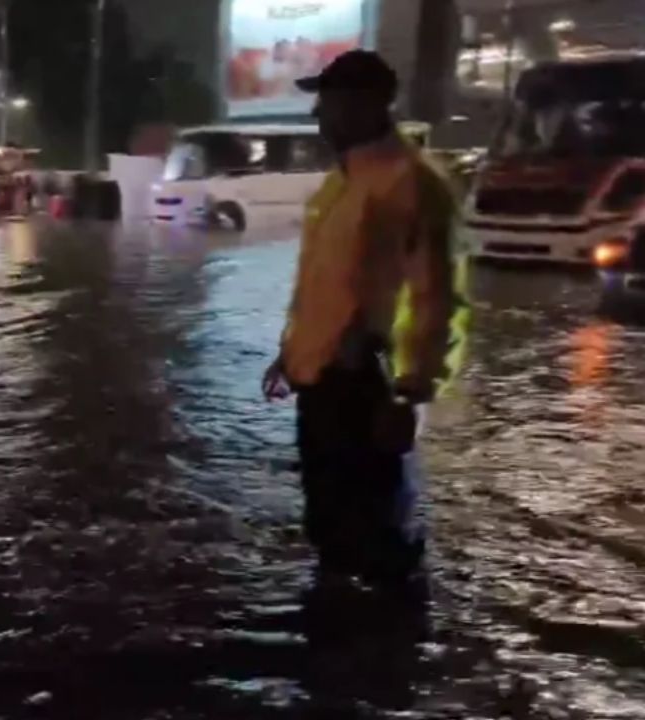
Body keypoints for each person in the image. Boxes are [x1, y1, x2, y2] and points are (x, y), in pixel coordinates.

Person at [262, 50, 460, 599]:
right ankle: (337, 626)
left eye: (326, 103)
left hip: (369, 386)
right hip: (323, 379)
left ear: (366, 105)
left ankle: (388, 634)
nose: (317, 116)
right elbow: (323, 286)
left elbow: (435, 296)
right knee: (330, 519)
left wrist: (408, 392)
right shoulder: (342, 182)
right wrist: (291, 353)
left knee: (377, 531)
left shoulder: (410, 184)